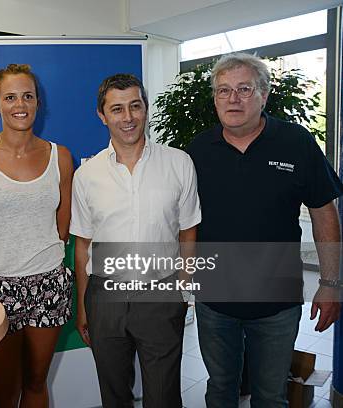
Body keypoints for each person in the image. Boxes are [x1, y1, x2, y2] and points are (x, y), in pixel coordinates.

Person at [186, 52, 343, 407]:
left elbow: (323, 212)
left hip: (277, 303)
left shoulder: (296, 142)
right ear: (215, 98)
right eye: (223, 90)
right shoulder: (198, 150)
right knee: (220, 387)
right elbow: (184, 220)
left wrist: (331, 284)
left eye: (244, 88)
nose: (233, 98)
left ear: (264, 95)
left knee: (271, 396)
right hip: (215, 301)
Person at [71, 73, 201, 408]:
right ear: (102, 115)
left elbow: (188, 231)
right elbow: (83, 245)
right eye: (117, 109)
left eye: (135, 106)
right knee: (114, 394)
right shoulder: (86, 175)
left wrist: (184, 290)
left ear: (146, 108)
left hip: (161, 293)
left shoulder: (179, 163)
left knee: (163, 395)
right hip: (104, 297)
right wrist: (84, 306)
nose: (128, 118)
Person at [0, 63, 74, 407]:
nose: (19, 104)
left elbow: (62, 226)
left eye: (27, 96)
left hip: (48, 284)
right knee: (5, 392)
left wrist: (41, 260)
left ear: (38, 103)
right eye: (10, 97)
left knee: (37, 382)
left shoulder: (61, 157)